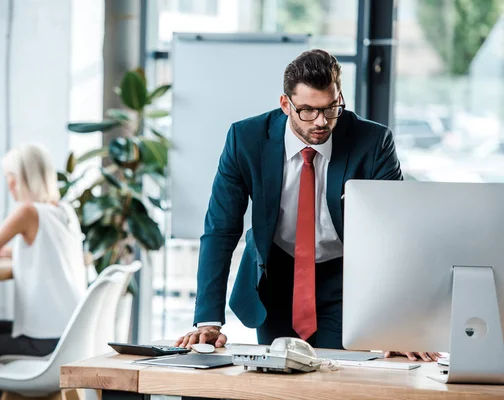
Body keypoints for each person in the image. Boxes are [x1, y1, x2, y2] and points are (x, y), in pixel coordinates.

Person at [175, 49, 439, 362]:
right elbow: (221, 228)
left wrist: (398, 323)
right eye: (307, 111)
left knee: (338, 378)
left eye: (330, 108)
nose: (321, 121)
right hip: (276, 277)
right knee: (280, 377)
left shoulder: (373, 142)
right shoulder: (246, 139)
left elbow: (396, 236)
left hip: (344, 280)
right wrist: (208, 320)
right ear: (286, 104)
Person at [0, 143, 87, 400]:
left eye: (10, 179)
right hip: (69, 335)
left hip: (45, 342)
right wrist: (9, 254)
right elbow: (48, 250)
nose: (9, 187)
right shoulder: (63, 210)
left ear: (23, 180)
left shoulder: (27, 211)